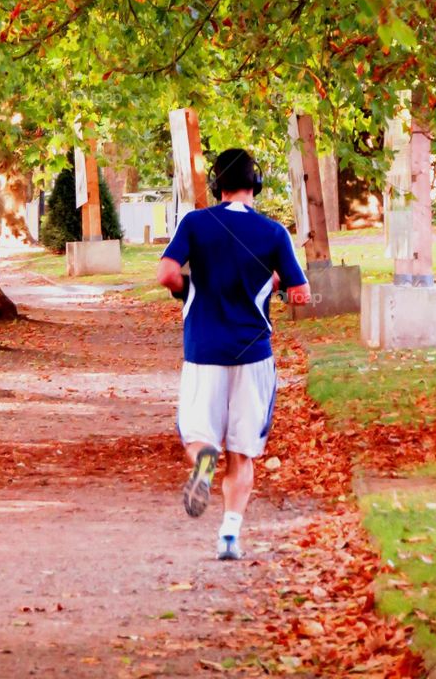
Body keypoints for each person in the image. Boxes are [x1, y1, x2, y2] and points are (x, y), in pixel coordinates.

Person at [157, 147, 311, 561]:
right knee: (243, 452)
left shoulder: (194, 223)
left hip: (204, 349)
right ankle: (229, 535)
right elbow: (300, 294)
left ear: (217, 185)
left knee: (198, 433)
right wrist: (273, 281)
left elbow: (167, 274)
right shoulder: (274, 233)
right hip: (253, 353)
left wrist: (187, 290)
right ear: (255, 184)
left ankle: (204, 460)